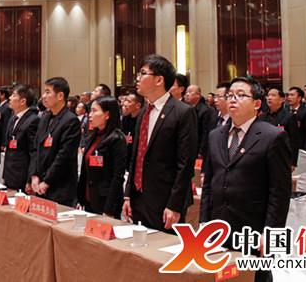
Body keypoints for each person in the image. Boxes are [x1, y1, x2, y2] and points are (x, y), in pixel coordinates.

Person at [200, 77, 291, 282]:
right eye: (230, 95)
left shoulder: (272, 136)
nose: (233, 99)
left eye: (241, 95)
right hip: (219, 227)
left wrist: (271, 232)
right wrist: (204, 222)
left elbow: (280, 192)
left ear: (257, 104)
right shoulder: (215, 135)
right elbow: (209, 184)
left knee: (256, 277)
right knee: (222, 277)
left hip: (254, 228)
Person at [123, 54, 197, 232]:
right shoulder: (144, 112)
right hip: (139, 199)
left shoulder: (182, 112)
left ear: (159, 80)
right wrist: (128, 195)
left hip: (165, 201)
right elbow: (137, 156)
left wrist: (175, 205)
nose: (138, 79)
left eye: (143, 73)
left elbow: (185, 164)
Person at [30, 77, 81, 206]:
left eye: (48, 92)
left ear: (60, 96)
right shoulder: (44, 118)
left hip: (60, 187)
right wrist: (34, 175)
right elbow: (35, 149)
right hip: (40, 186)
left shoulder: (70, 121)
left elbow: (64, 156)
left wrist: (47, 182)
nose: (43, 96)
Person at [76, 96, 127, 217]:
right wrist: (80, 199)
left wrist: (109, 209)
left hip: (105, 202)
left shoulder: (117, 139)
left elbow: (118, 177)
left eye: (94, 111)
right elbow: (85, 171)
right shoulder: (93, 135)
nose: (90, 115)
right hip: (88, 200)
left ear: (107, 115)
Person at [2, 84, 39, 193]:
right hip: (10, 174)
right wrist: (5, 176)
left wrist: (30, 179)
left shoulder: (33, 120)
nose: (10, 98)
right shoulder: (13, 119)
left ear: (23, 101)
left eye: (13, 95)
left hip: (22, 176)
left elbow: (33, 152)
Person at [257, 86, 301, 167]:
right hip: (263, 156)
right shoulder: (261, 117)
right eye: (268, 95)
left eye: (273, 95)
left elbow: (294, 142)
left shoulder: (289, 117)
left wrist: (292, 162)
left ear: (282, 99)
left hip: (281, 157)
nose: (269, 98)